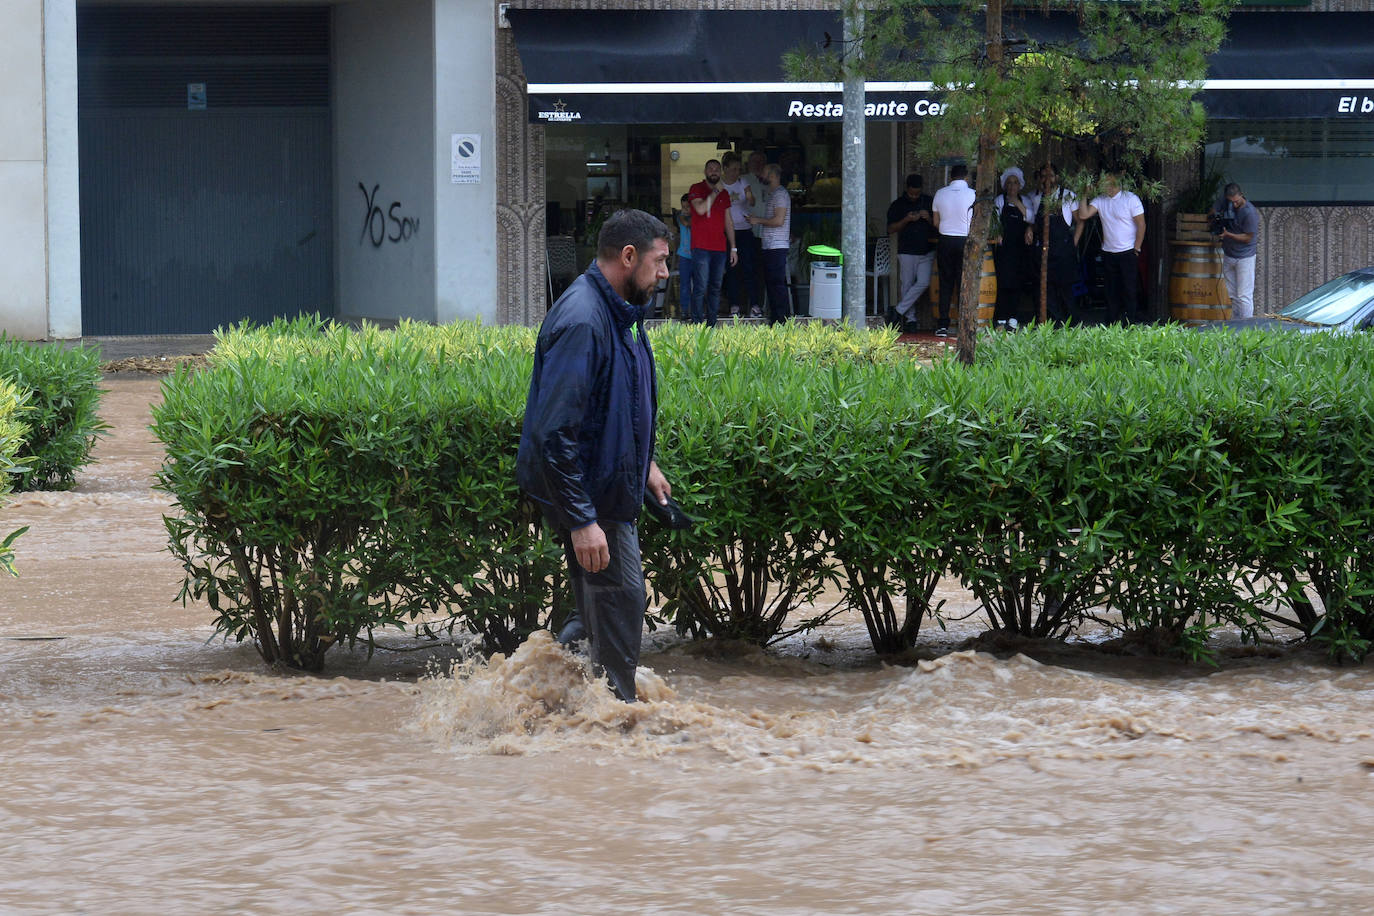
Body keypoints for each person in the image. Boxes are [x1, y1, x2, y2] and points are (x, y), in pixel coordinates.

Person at [516, 208, 674, 703]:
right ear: (629, 257)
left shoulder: (619, 311)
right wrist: (583, 520)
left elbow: (616, 403)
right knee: (622, 598)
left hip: (605, 486)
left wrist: (644, 463)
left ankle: (547, 695)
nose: (666, 272)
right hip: (592, 496)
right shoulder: (584, 319)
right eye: (661, 260)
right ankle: (618, 721)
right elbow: (554, 433)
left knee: (597, 606)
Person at [1078, 172, 1146, 325]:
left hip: (1128, 251)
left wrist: (1137, 248)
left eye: (1110, 182)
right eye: (1104, 182)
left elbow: (1141, 224)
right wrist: (1084, 195)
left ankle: (1130, 323)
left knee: (1129, 289)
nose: (1106, 185)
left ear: (1118, 182)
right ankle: (1111, 324)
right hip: (1109, 252)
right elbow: (1083, 215)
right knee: (1110, 291)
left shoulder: (1130, 199)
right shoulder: (1100, 200)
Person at [1031, 163, 1084, 325]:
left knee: (1066, 290)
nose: (1048, 179)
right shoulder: (1035, 197)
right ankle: (1055, 324)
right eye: (1044, 176)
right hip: (1044, 252)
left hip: (1064, 252)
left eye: (1051, 175)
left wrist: (1074, 242)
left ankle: (1073, 324)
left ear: (1057, 177)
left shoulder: (1068, 196)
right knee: (1047, 290)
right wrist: (1029, 228)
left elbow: (1080, 222)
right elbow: (1035, 222)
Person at [688, 159, 738, 326]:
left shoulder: (724, 194)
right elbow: (701, 209)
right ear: (705, 171)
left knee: (715, 287)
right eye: (711, 168)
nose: (714, 171)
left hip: (719, 247)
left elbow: (729, 222)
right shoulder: (696, 188)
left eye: (717, 169)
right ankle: (696, 323)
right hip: (701, 246)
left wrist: (734, 248)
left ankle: (711, 324)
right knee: (701, 287)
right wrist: (716, 191)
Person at [885, 173, 936, 332]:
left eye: (917, 193)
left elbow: (939, 225)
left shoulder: (929, 201)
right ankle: (911, 320)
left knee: (924, 282)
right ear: (906, 189)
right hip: (906, 250)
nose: (914, 196)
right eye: (911, 193)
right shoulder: (898, 204)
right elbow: (890, 229)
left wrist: (928, 217)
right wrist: (906, 219)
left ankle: (898, 311)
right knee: (906, 285)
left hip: (927, 250)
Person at [932, 164, 976, 338]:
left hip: (945, 240)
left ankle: (942, 325)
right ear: (966, 177)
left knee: (945, 283)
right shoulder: (973, 194)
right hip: (965, 240)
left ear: (951, 177)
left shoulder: (940, 193)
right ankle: (963, 324)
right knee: (963, 283)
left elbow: (936, 222)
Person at [747, 163, 793, 325]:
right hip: (770, 245)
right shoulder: (772, 194)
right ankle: (776, 318)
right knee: (772, 283)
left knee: (776, 283)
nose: (762, 176)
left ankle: (782, 320)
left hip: (777, 245)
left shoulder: (780, 195)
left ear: (773, 176)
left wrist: (757, 220)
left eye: (765, 174)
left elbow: (779, 220)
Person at [992, 167, 1034, 330]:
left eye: (1015, 183)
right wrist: (997, 233)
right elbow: (994, 221)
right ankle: (1001, 317)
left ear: (1020, 185)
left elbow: (1031, 218)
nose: (1012, 186)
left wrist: (1016, 203)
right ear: (1004, 185)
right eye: (1009, 183)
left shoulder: (1025, 200)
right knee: (1002, 282)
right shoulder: (999, 200)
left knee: (1017, 282)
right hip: (1004, 248)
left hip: (1020, 248)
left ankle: (1013, 317)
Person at [1209, 182, 1260, 319]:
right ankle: (1236, 322)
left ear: (1241, 195)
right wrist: (1216, 219)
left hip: (1245, 257)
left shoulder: (1250, 212)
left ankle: (1247, 325)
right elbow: (1212, 213)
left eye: (1236, 201)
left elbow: (1248, 237)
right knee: (1232, 294)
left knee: (1244, 295)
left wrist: (1228, 234)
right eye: (1231, 202)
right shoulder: (1224, 202)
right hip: (1229, 254)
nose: (1234, 205)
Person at [721, 152, 760, 319]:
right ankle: (734, 305)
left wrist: (750, 198)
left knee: (749, 268)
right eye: (732, 169)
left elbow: (752, 200)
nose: (736, 173)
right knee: (731, 270)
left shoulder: (743, 182)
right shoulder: (720, 186)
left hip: (744, 230)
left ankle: (755, 305)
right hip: (726, 231)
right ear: (725, 169)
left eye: (738, 169)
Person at [744, 151, 771, 318]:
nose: (757, 164)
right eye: (754, 162)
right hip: (749, 232)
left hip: (768, 233)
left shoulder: (769, 181)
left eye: (761, 161)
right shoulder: (744, 179)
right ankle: (753, 304)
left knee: (765, 271)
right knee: (749, 270)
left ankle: (763, 305)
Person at [675, 194, 695, 321]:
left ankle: (696, 309)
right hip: (684, 255)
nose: (686, 209)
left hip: (697, 255)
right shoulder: (680, 216)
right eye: (683, 207)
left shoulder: (698, 218)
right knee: (684, 284)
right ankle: (684, 310)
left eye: (688, 207)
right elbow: (686, 223)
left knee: (699, 284)